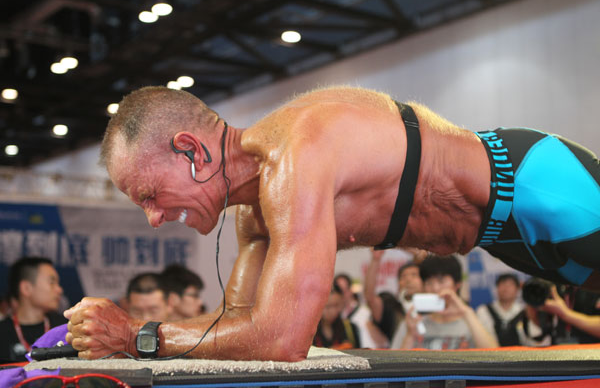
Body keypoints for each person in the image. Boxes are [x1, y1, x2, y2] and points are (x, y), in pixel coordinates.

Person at [65, 85, 600, 361]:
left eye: (149, 196)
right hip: (499, 236)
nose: (154, 219)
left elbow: (278, 341)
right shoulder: (255, 215)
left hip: (536, 182)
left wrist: (139, 336)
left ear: (192, 152)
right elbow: (233, 328)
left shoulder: (298, 153)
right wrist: (121, 336)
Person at [391, 255, 498, 350]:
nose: (435, 288)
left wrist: (466, 312)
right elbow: (393, 366)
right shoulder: (412, 323)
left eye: (441, 281)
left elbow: (494, 357)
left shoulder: (475, 320)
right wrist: (410, 335)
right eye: (429, 282)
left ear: (457, 285)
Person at [0, 257, 66, 362]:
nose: (59, 289)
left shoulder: (65, 328)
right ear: (26, 288)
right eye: (52, 282)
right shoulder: (2, 333)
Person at [364, 249, 423, 346]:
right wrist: (375, 260)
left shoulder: (433, 308)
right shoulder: (391, 306)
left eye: (414, 275)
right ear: (398, 284)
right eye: (403, 276)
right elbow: (370, 297)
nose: (408, 280)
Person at [476, 273, 525, 346]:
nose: (506, 288)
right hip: (491, 353)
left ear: (517, 290)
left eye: (510, 285)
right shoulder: (483, 310)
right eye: (502, 284)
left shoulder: (523, 312)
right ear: (496, 288)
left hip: (520, 353)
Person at [312, 283, 361, 349]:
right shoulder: (310, 332)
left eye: (336, 305)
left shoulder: (350, 328)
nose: (333, 311)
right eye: (328, 306)